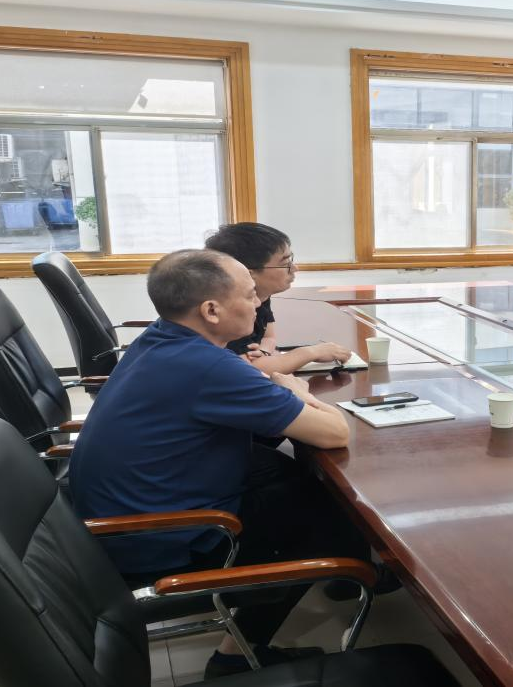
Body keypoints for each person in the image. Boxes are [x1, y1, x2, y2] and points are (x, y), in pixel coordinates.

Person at [67, 249, 368, 678]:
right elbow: (336, 432)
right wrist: (299, 393)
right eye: (249, 295)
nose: (259, 303)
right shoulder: (207, 367)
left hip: (123, 517)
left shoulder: (162, 338)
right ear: (211, 310)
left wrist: (280, 386)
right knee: (332, 513)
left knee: (297, 479)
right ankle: (234, 658)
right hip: (160, 541)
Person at [204, 222, 352, 373]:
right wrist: (311, 353)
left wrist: (264, 352)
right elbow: (248, 370)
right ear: (247, 272)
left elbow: (269, 338)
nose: (295, 268)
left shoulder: (261, 294)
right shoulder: (228, 309)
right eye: (285, 263)